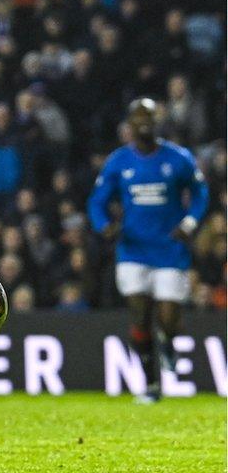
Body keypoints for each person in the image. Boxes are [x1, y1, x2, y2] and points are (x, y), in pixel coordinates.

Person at [87, 97, 208, 404]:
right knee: (140, 316)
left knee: (168, 317)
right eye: (139, 117)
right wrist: (105, 226)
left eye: (149, 117)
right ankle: (151, 383)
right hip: (133, 250)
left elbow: (200, 194)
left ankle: (168, 342)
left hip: (169, 249)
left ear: (158, 122)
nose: (144, 122)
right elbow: (97, 201)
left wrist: (190, 223)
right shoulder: (118, 162)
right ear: (129, 123)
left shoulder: (178, 158)